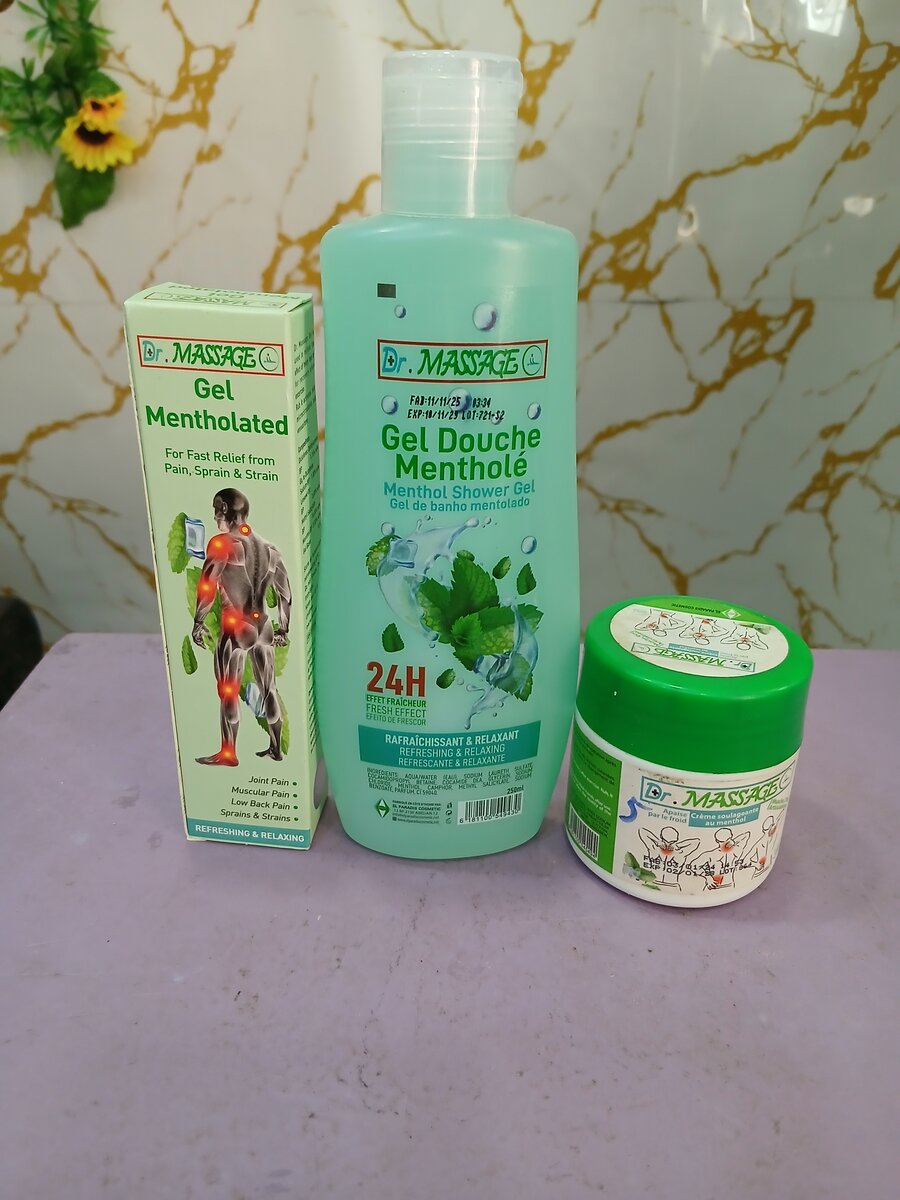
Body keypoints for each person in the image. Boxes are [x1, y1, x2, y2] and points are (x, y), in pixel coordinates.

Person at [191, 488, 291, 765]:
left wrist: (198, 621)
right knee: (269, 689)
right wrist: (284, 628)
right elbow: (285, 594)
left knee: (228, 690)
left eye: (216, 510)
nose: (214, 517)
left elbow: (208, 584)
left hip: (236, 626)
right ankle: (276, 748)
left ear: (225, 509)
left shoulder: (222, 544)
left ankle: (228, 752)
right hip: (264, 626)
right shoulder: (270, 549)